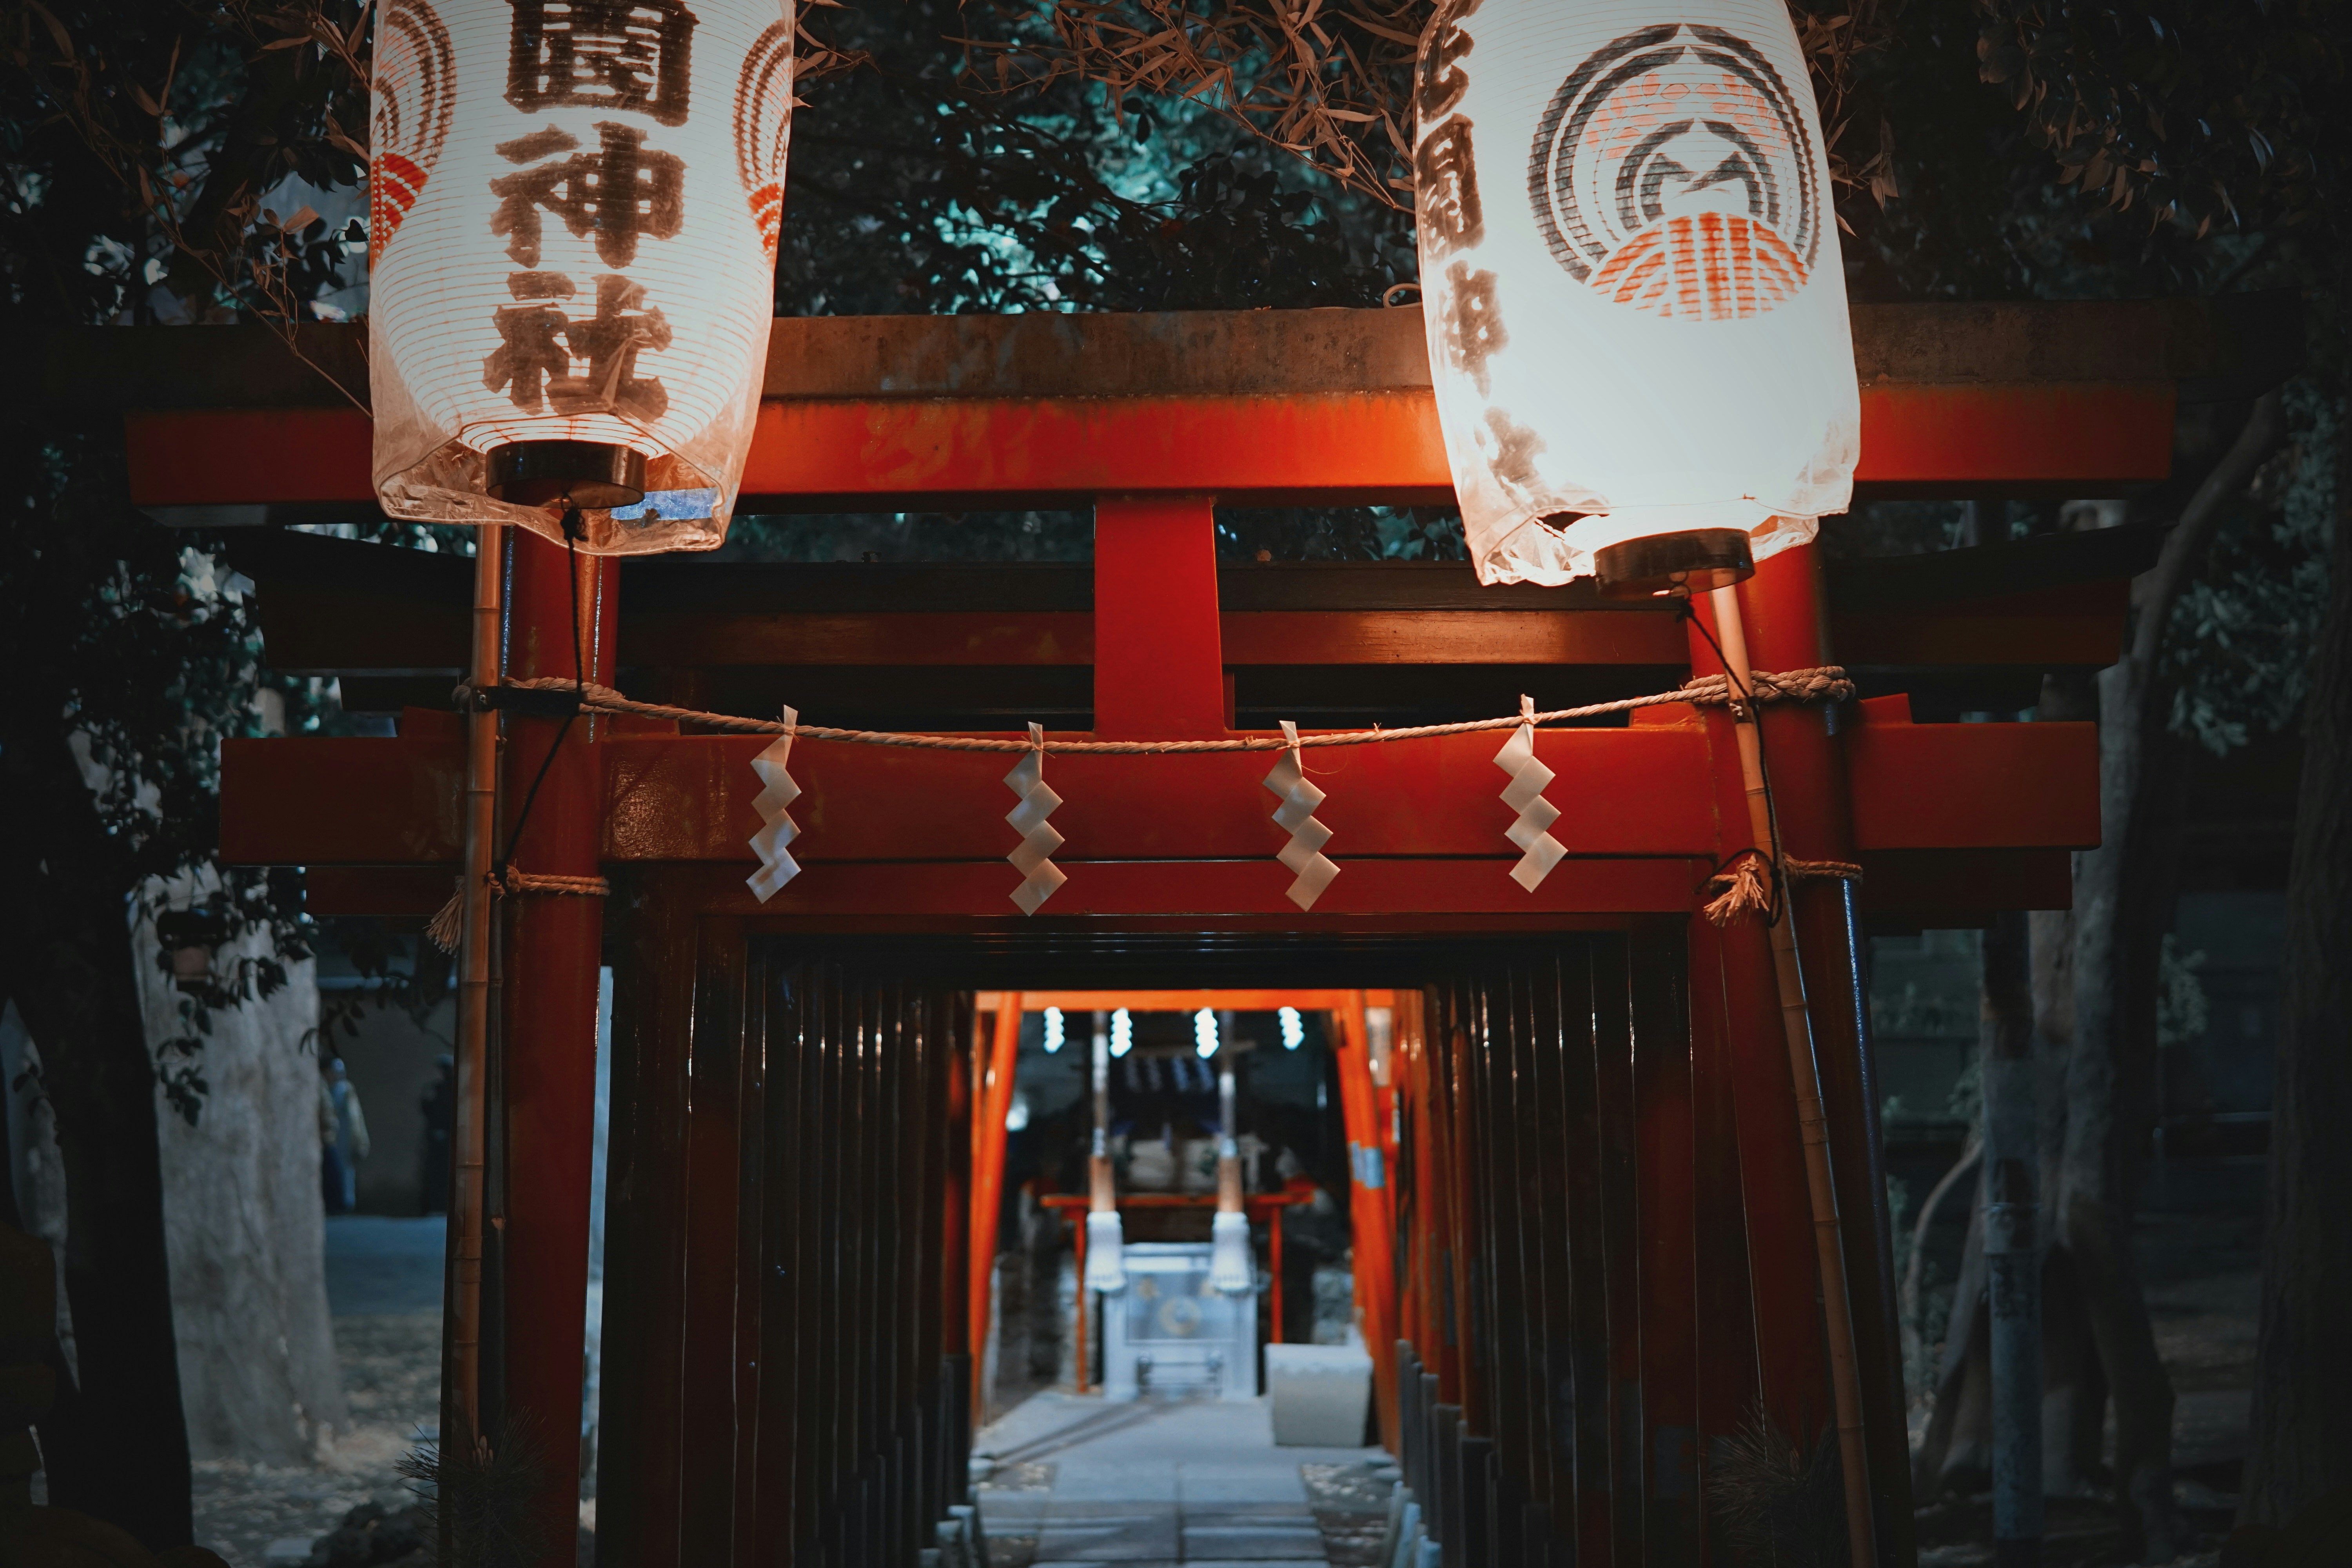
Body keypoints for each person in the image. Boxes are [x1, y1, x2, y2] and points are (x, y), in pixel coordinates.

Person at [319, 1058, 369, 1214]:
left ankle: (346, 1202)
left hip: (346, 1137)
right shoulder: (328, 1089)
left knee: (346, 1169)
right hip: (335, 1136)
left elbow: (355, 1118)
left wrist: (359, 1140)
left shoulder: (344, 1090)